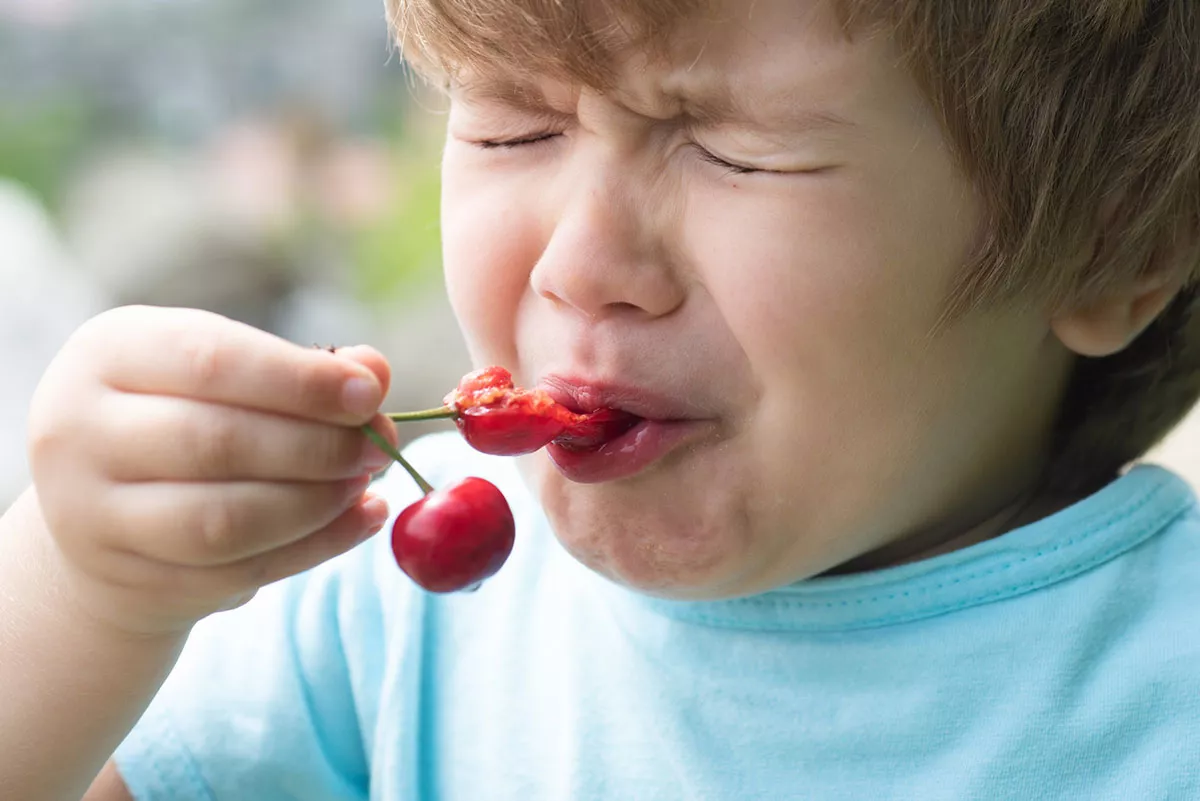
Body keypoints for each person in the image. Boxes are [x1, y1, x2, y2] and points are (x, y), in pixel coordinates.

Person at [3, 0, 1199, 798]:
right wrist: (84, 589)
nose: (577, 263)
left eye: (728, 148)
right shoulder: (380, 627)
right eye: (515, 126)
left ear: (1114, 250)